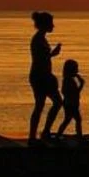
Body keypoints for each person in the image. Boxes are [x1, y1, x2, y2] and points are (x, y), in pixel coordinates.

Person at [28, 11, 63, 146]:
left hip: (42, 76)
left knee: (48, 104)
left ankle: (42, 133)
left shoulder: (41, 39)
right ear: (44, 24)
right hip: (40, 76)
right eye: (51, 23)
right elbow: (41, 59)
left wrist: (52, 54)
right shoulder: (37, 40)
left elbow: (44, 57)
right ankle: (38, 135)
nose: (53, 26)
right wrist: (52, 53)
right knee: (46, 104)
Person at [56, 59, 86, 143]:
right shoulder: (68, 81)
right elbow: (74, 92)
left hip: (70, 103)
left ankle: (58, 135)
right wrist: (81, 84)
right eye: (76, 68)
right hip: (71, 104)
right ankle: (79, 138)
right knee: (77, 120)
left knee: (68, 120)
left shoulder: (67, 80)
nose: (77, 71)